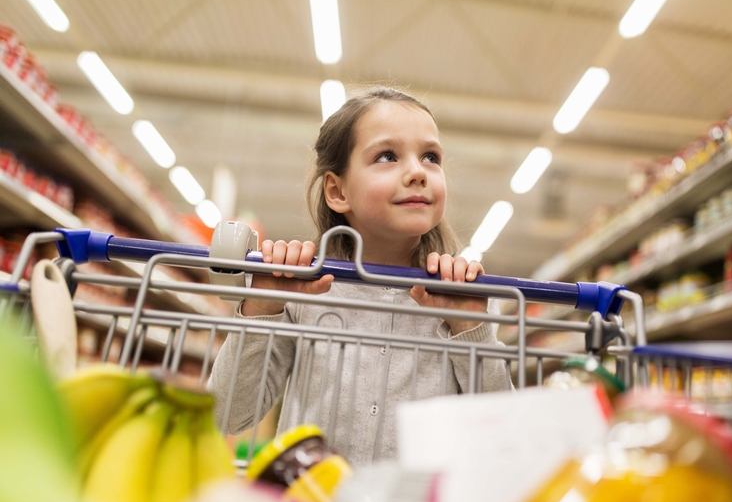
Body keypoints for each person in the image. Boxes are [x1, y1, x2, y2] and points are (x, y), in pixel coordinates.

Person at [208, 86, 511, 465]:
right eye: (388, 156)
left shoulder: (463, 296)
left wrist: (472, 330)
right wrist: (263, 309)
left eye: (430, 157)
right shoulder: (304, 290)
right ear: (337, 191)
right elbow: (226, 414)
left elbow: (501, 432)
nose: (418, 172)